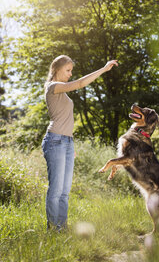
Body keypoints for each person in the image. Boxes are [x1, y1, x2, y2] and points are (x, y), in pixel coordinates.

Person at [42, 55, 118, 231]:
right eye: (68, 70)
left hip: (66, 142)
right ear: (56, 69)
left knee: (64, 192)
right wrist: (104, 69)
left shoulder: (61, 91)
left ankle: (62, 228)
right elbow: (79, 84)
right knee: (56, 191)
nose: (70, 74)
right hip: (55, 141)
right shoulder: (53, 87)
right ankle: (54, 229)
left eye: (71, 71)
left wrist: (71, 145)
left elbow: (66, 120)